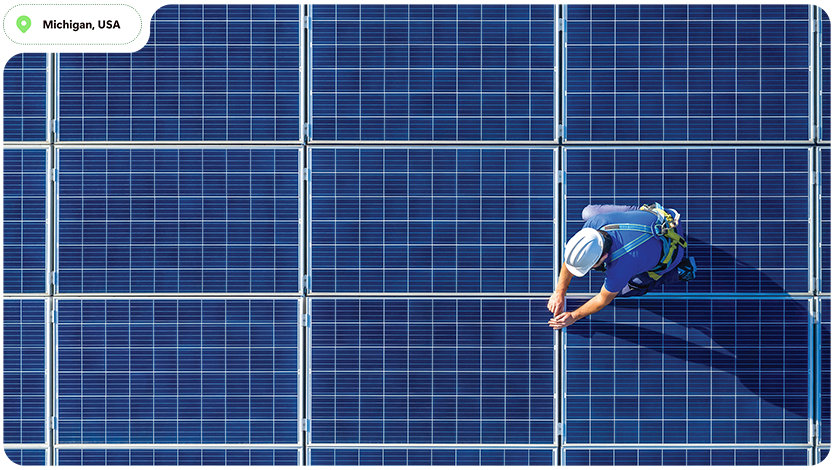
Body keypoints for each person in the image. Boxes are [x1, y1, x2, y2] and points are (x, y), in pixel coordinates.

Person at [547, 203, 696, 330]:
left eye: (592, 266)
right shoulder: (594, 225)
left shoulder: (621, 267)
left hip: (674, 249)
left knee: (626, 289)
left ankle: (680, 270)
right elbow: (571, 260)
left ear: (604, 257)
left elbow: (602, 300)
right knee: (588, 212)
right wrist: (559, 292)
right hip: (664, 216)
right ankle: (638, 217)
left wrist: (574, 316)